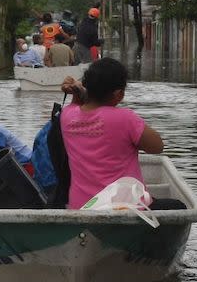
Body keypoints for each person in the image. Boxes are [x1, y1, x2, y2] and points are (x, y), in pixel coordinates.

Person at [59, 58, 164, 209]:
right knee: (177, 205)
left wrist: (78, 91)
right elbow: (157, 146)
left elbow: (79, 103)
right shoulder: (125, 118)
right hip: (126, 207)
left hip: (82, 207)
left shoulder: (67, 116)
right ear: (119, 94)